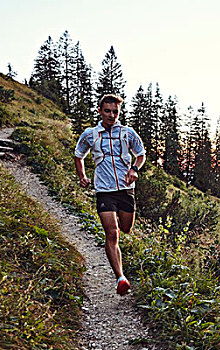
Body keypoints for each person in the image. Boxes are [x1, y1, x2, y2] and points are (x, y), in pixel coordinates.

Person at [74, 94, 145, 296]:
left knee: (125, 228)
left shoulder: (128, 133)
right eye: (107, 111)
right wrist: (82, 176)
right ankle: (120, 278)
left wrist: (134, 169)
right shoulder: (90, 134)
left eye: (115, 111)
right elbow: (79, 155)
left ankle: (119, 262)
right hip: (104, 190)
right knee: (112, 233)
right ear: (100, 111)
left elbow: (141, 154)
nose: (111, 115)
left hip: (125, 189)